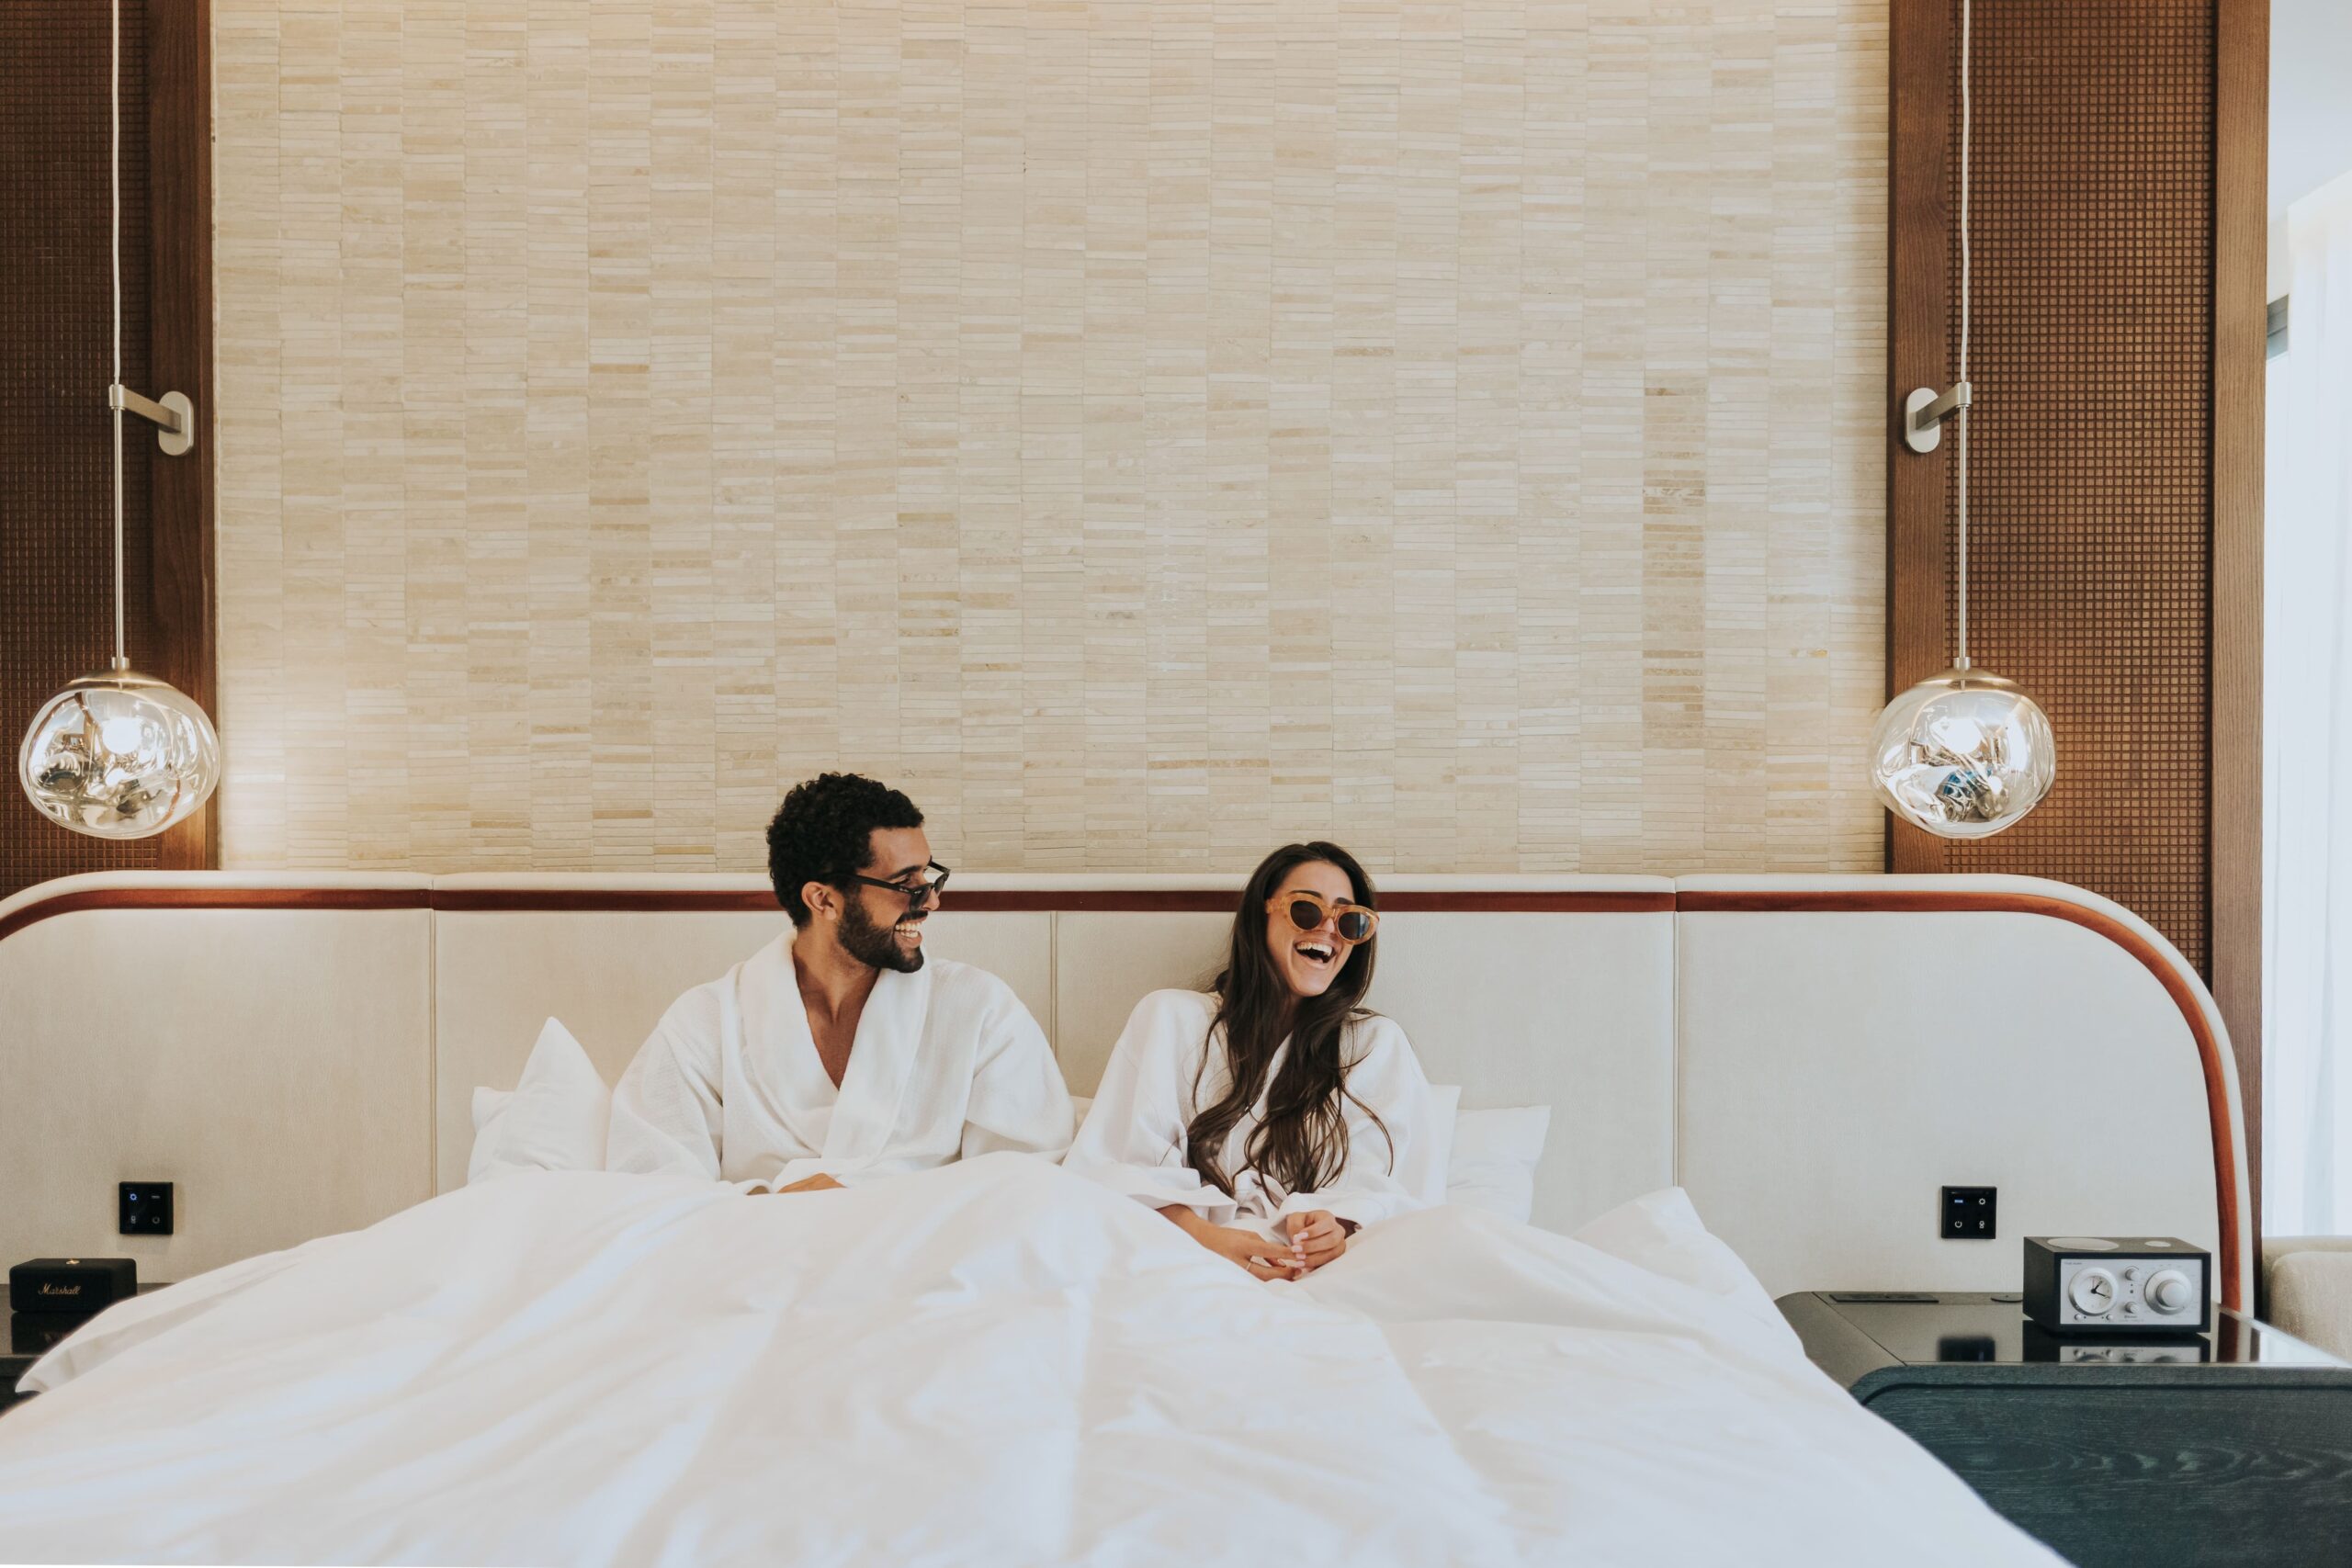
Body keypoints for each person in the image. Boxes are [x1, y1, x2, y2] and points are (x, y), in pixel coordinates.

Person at [606, 773, 1073, 1191]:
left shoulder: (979, 1009)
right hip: (761, 1258)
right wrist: (771, 1204)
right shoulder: (705, 1024)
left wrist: (862, 1200)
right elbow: (651, 1186)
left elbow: (1025, 1179)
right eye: (907, 884)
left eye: (931, 876)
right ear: (824, 900)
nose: (931, 902)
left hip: (929, 1261)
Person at [1065, 842, 1442, 1279]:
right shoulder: (1172, 1018)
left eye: (1350, 920)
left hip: (1325, 1272)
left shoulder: (1375, 1044)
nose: (1328, 930)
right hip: (1180, 1254)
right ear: (1261, 914)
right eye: (1306, 910)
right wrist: (1211, 1243)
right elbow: (1121, 1167)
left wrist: (1331, 1226)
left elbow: (1396, 1189)